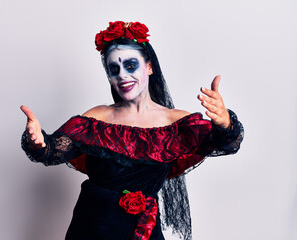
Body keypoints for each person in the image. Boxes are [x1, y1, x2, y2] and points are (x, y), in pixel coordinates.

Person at [20, 21, 244, 240]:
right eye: (114, 69)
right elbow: (51, 150)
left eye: (130, 65)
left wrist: (224, 122)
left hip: (142, 230)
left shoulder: (178, 124)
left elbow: (227, 143)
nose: (123, 76)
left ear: (148, 66)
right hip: (90, 229)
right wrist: (37, 142)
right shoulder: (96, 118)